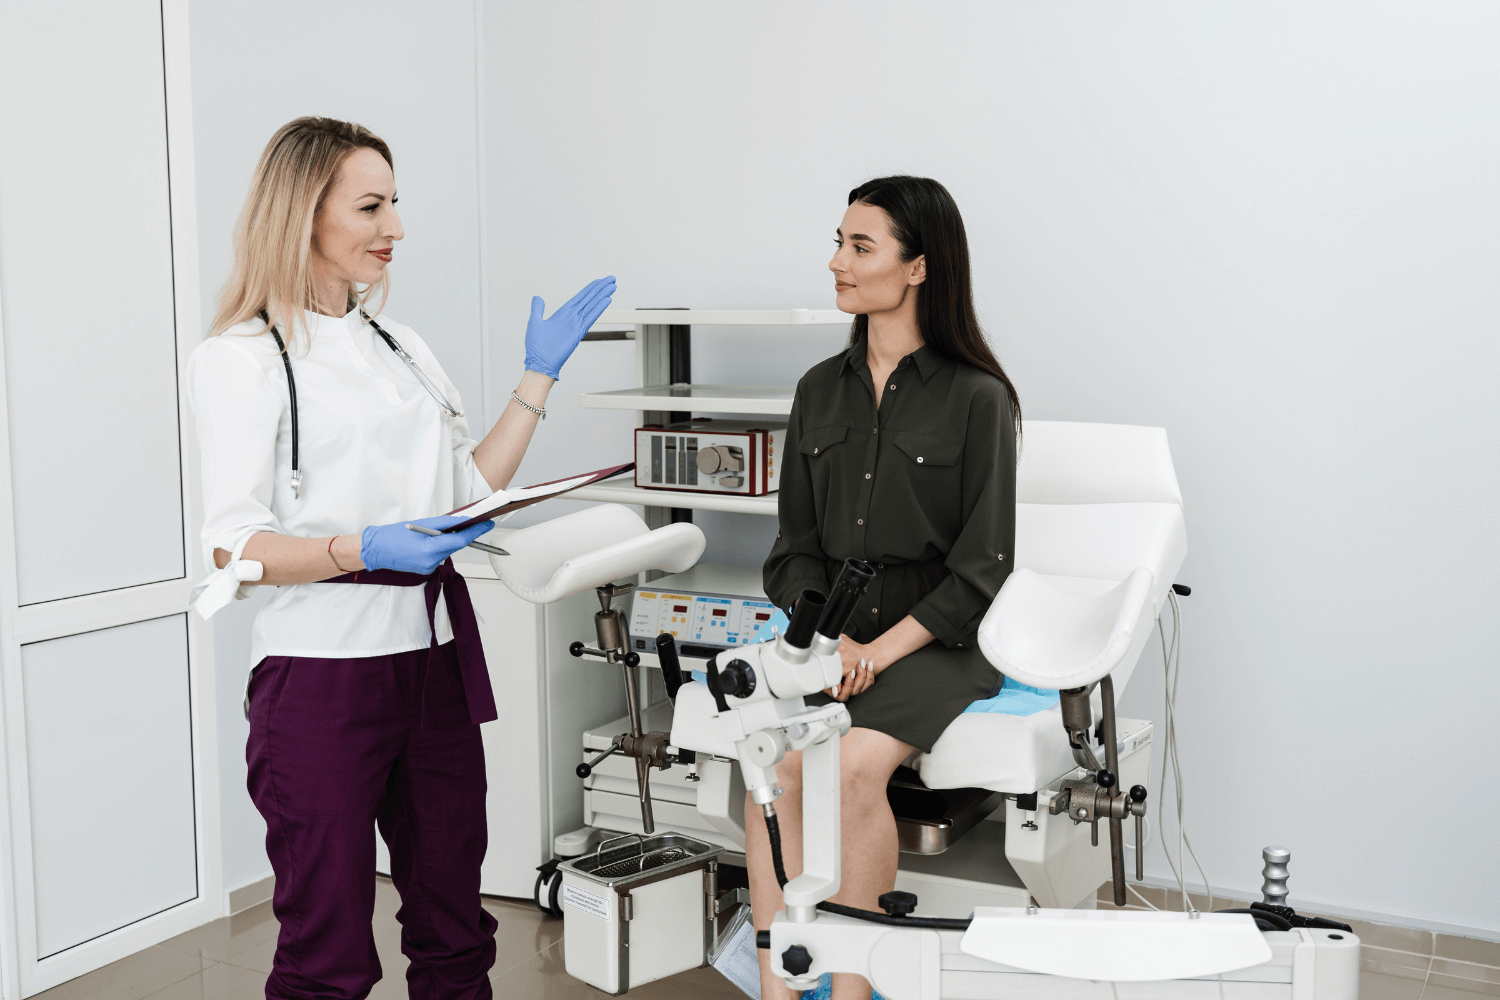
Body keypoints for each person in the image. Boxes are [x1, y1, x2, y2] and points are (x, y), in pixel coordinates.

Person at [186, 117, 613, 1000]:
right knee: (328, 949)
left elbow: (465, 489)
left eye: (396, 204)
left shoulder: (402, 348)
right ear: (303, 213)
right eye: (372, 206)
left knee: (457, 928)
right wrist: (357, 549)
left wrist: (538, 380)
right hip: (323, 679)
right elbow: (234, 544)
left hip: (434, 666)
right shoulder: (243, 359)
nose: (396, 228)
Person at [753, 175, 1021, 1000]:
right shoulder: (816, 390)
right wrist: (824, 638)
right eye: (837, 243)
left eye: (859, 247)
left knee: (853, 765)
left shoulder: (979, 399)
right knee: (774, 769)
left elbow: (983, 567)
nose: (837, 262)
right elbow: (793, 548)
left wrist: (879, 648)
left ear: (917, 269)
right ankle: (779, 988)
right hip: (833, 638)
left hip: (936, 643)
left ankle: (854, 989)